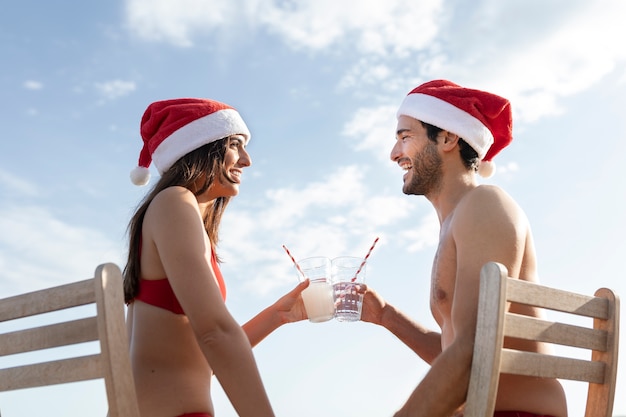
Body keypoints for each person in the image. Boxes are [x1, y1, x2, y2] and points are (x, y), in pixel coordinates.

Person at [359, 80, 568, 417]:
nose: (394, 153)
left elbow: (473, 353)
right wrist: (386, 316)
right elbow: (461, 353)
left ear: (447, 137)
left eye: (404, 136)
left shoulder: (484, 204)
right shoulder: (456, 223)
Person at [123, 98, 309, 417]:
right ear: (199, 147)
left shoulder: (174, 214)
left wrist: (277, 315)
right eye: (235, 144)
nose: (247, 160)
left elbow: (203, 352)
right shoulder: (174, 202)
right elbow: (216, 335)